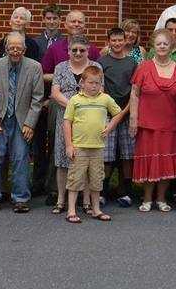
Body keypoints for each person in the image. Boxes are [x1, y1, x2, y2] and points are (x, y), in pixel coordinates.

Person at [0, 32, 44, 213]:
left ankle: (20, 198)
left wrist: (30, 124)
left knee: (20, 157)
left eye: (19, 48)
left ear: (25, 49)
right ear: (6, 49)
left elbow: (37, 98)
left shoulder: (35, 67)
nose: (15, 51)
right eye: (11, 48)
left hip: (22, 120)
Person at [130, 30, 176, 212]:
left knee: (166, 163)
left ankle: (161, 198)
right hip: (147, 124)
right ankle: (146, 198)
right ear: (153, 46)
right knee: (149, 162)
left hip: (171, 124)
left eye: (166, 44)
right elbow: (135, 95)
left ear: (171, 47)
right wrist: (133, 118)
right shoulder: (144, 67)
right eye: (159, 43)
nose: (162, 46)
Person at [63, 64, 122, 223]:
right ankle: (71, 210)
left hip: (98, 148)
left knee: (96, 181)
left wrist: (109, 127)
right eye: (91, 82)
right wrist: (69, 145)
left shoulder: (105, 99)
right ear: (82, 83)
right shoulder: (75, 100)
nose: (94, 86)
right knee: (75, 179)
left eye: (97, 83)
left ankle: (96, 209)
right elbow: (67, 122)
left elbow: (118, 113)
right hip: (79, 147)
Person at [49, 35, 101, 214]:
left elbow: (100, 91)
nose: (78, 53)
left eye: (82, 50)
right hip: (65, 118)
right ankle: (60, 200)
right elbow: (55, 92)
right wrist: (74, 106)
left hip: (89, 119)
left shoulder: (96, 67)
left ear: (88, 50)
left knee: (86, 160)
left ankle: (86, 201)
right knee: (63, 160)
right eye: (74, 50)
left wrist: (83, 106)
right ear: (69, 50)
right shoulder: (60, 67)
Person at [99, 27, 136, 207]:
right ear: (109, 41)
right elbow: (100, 90)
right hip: (107, 114)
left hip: (127, 113)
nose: (117, 43)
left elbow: (135, 91)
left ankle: (127, 192)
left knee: (128, 155)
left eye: (120, 40)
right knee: (106, 155)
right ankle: (102, 191)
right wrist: (113, 112)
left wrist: (124, 112)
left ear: (125, 41)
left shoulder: (131, 63)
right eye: (113, 40)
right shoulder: (102, 62)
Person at [31, 4, 62, 198]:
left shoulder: (64, 44)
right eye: (48, 18)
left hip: (57, 100)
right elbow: (34, 73)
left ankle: (52, 183)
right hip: (37, 99)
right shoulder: (35, 43)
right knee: (38, 143)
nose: (51, 21)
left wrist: (52, 98)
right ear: (43, 19)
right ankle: (37, 182)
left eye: (55, 19)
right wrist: (39, 99)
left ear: (60, 21)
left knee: (55, 143)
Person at [41, 9, 101, 79]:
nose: (76, 24)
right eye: (73, 21)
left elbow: (99, 75)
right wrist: (61, 77)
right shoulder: (54, 48)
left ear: (84, 26)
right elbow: (43, 75)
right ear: (65, 25)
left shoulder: (92, 49)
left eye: (80, 22)